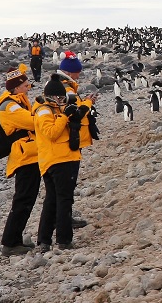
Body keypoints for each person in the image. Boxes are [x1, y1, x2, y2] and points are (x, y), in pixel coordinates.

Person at [33, 74, 90, 251]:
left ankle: (44, 241)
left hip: (55, 159)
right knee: (64, 199)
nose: (61, 100)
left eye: (62, 97)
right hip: (59, 160)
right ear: (50, 96)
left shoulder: (53, 108)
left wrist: (83, 107)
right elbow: (51, 133)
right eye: (58, 97)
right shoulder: (44, 111)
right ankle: (64, 240)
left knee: (51, 200)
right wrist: (64, 117)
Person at [0, 64, 39, 256]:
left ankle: (15, 239)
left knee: (26, 198)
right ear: (17, 86)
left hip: (30, 154)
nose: (28, 86)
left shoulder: (19, 101)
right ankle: (10, 243)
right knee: (23, 199)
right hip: (24, 157)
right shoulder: (10, 106)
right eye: (25, 83)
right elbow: (31, 121)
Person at [56, 51, 99, 228]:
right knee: (66, 185)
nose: (79, 75)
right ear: (71, 72)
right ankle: (63, 222)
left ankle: (62, 219)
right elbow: (74, 113)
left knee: (62, 188)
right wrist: (88, 103)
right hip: (68, 141)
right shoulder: (65, 88)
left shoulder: (63, 86)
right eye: (78, 72)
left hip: (68, 140)